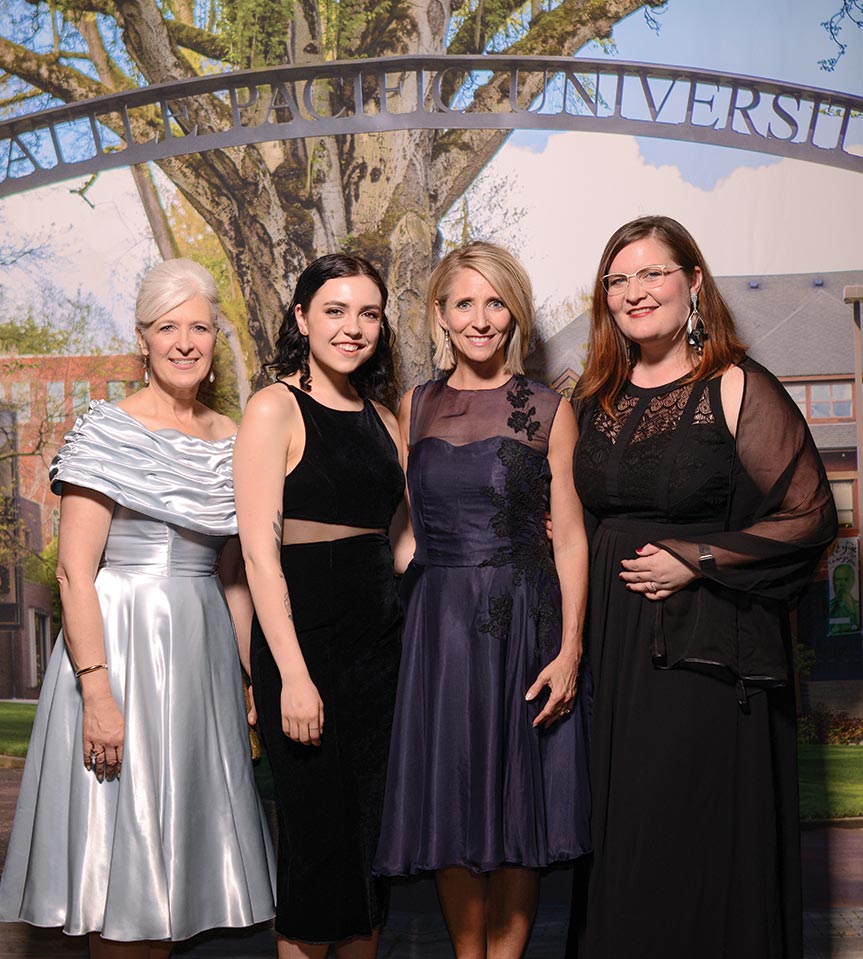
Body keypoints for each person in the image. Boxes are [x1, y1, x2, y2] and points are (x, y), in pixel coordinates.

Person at [567, 215, 837, 959]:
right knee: (626, 829)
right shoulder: (596, 397)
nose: (632, 292)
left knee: (687, 823)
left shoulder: (734, 384)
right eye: (617, 280)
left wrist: (696, 557)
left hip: (704, 647)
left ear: (691, 283)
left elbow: (811, 515)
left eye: (650, 273)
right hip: (614, 648)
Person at [0, 259, 275, 957]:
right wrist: (98, 693)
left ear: (216, 337)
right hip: (119, 655)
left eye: (199, 327)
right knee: (123, 882)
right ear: (142, 338)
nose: (184, 341)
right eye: (167, 327)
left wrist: (248, 676)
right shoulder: (106, 431)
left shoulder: (235, 436)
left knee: (180, 876)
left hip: (200, 659)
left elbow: (233, 576)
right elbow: (71, 571)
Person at [374, 241, 592, 959]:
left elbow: (568, 539)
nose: (479, 317)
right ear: (439, 313)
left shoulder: (547, 408)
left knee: (518, 807)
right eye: (463, 302)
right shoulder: (414, 405)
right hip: (438, 628)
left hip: (523, 622)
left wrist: (570, 649)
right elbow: (409, 520)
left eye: (494, 301)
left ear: (514, 314)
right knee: (452, 802)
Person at [233, 254, 408, 959]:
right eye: (335, 311)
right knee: (314, 852)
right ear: (301, 318)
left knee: (369, 854)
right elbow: (257, 556)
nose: (353, 327)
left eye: (368, 313)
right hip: (303, 646)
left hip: (382, 649)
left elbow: (403, 544)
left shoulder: (384, 420)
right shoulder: (273, 405)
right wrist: (292, 676)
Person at [828, 561, 860, 634]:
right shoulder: (828, 607)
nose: (842, 584)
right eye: (838, 580)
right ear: (833, 582)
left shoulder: (859, 608)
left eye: (846, 579)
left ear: (852, 581)